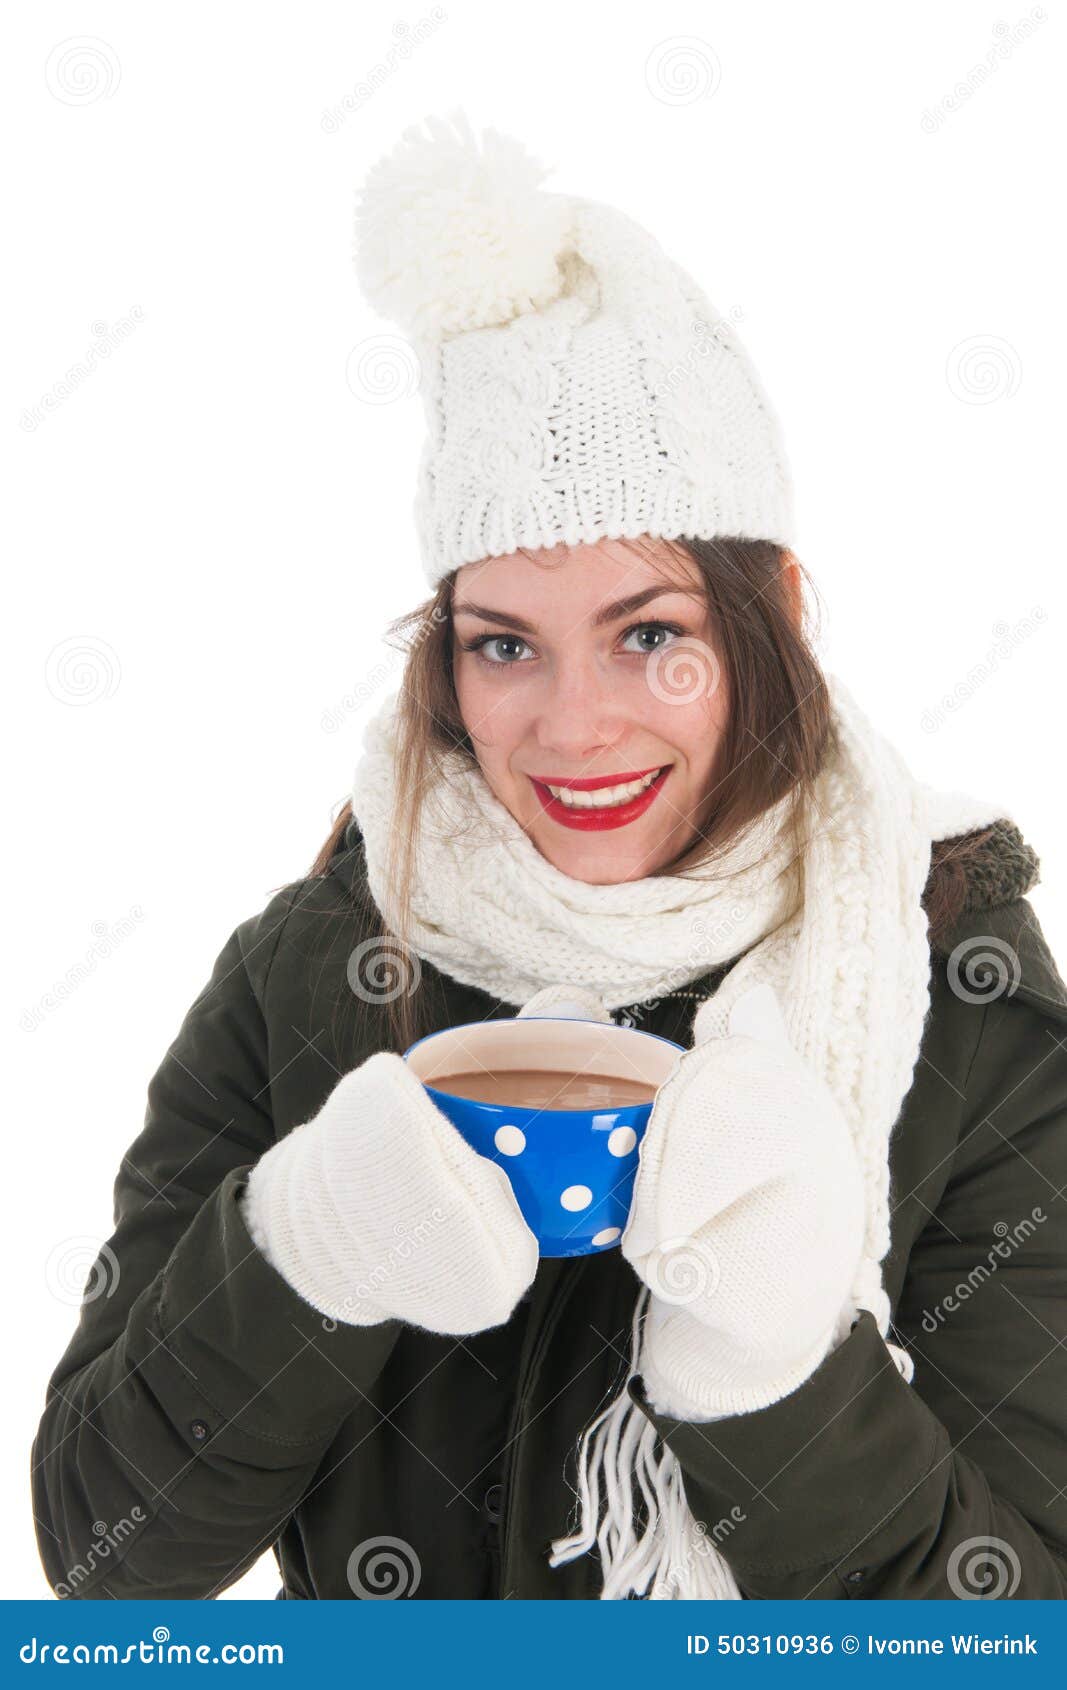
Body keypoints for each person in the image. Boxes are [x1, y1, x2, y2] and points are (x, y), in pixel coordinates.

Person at [32, 110, 1067, 1602]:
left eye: (652, 635)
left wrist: (776, 1381)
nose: (572, 729)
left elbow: (1020, 1626)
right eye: (504, 644)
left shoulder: (961, 999)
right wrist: (300, 1254)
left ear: (767, 609)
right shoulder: (315, 969)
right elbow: (103, 1558)